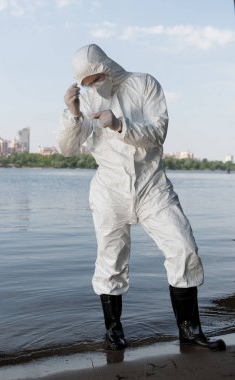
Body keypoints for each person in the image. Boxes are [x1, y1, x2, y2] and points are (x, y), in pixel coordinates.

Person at [56, 44, 225, 351]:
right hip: (109, 191)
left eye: (94, 78)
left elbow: (158, 133)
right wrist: (72, 114)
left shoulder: (144, 84)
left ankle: (189, 329)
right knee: (111, 260)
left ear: (105, 66)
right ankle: (113, 331)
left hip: (153, 187)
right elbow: (66, 149)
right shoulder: (85, 100)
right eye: (85, 82)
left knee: (183, 247)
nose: (92, 85)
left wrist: (119, 124)